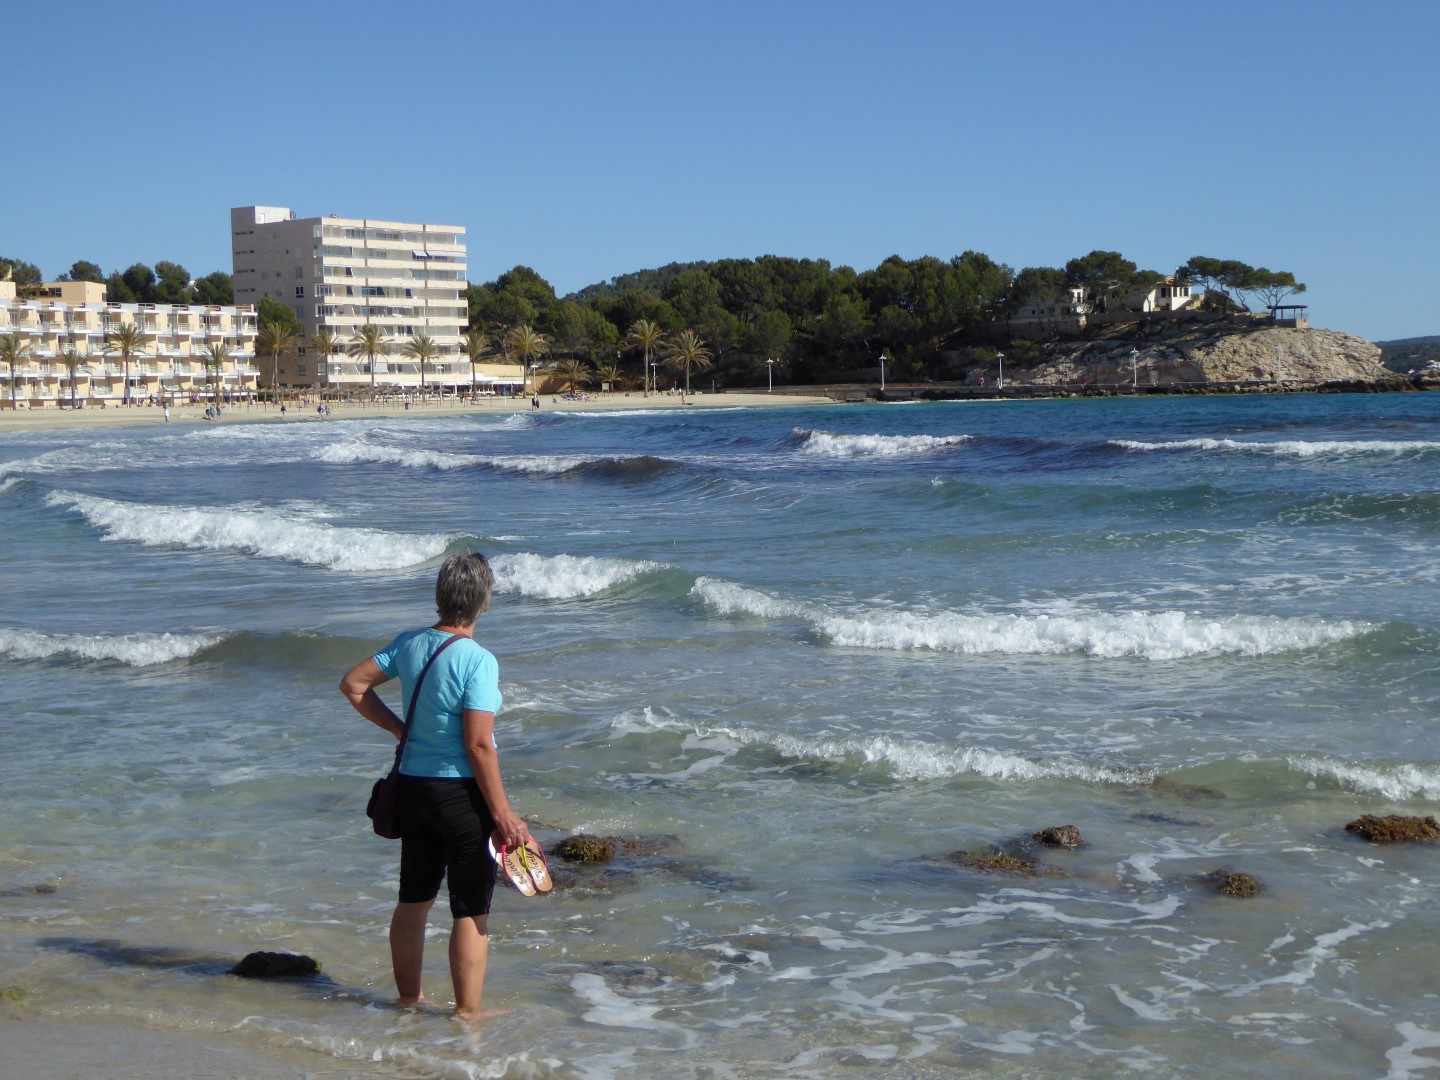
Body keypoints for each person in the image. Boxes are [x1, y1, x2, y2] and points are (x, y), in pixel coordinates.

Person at [340, 553, 534, 1019]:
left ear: (440, 598)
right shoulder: (478, 661)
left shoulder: (409, 645)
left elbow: (353, 684)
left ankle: (409, 1001)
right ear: (484, 604)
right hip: (459, 797)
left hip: (412, 789)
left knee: (414, 900)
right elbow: (479, 745)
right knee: (469, 909)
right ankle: (468, 1015)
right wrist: (504, 814)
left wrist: (399, 730)